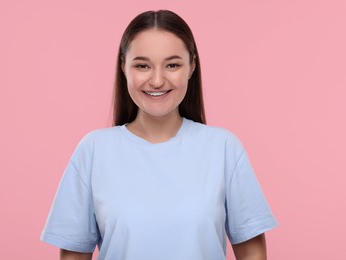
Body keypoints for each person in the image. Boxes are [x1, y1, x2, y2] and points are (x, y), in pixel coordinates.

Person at [41, 10, 277, 260]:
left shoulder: (224, 148)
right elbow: (74, 254)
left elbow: (252, 251)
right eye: (142, 65)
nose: (156, 80)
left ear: (191, 67)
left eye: (172, 65)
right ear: (124, 67)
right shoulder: (94, 150)